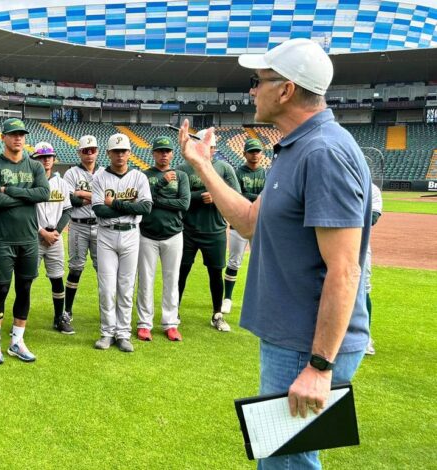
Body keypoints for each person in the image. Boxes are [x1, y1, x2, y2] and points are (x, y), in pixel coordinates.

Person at [179, 38, 371, 469]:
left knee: (287, 463)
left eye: (257, 81)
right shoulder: (295, 147)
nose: (251, 91)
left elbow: (344, 270)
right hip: (294, 340)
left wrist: (320, 366)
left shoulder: (323, 152)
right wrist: (203, 165)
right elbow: (249, 221)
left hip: (307, 346)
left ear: (285, 90)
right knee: (282, 459)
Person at [0, 118, 49, 364]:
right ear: (3, 137)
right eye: (13, 134)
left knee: (24, 289)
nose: (18, 138)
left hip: (29, 239)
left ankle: (17, 342)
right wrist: (26, 196)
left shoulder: (35, 166)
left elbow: (43, 193)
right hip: (2, 239)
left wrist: (9, 190)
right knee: (0, 288)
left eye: (21, 134)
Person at [91, 133, 152, 353]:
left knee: (126, 288)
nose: (120, 154)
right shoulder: (99, 178)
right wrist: (128, 205)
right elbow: (99, 210)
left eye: (123, 151)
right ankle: (107, 332)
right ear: (108, 153)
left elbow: (145, 208)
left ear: (129, 153)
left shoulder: (139, 177)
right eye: (115, 151)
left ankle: (123, 333)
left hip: (131, 235)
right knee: (107, 288)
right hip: (106, 235)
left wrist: (115, 203)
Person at [176, 128, 240, 332]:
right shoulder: (184, 168)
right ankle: (172, 312)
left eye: (212, 147)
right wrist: (198, 196)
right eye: (207, 146)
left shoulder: (224, 168)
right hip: (188, 229)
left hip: (215, 230)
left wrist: (216, 196)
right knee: (181, 271)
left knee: (215, 273)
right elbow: (177, 199)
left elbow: (236, 195)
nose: (211, 151)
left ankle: (217, 314)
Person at [136, 136, 189, 342]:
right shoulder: (144, 175)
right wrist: (159, 188)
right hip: (147, 233)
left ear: (172, 154)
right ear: (153, 153)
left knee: (171, 280)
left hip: (174, 233)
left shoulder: (181, 176)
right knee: (146, 280)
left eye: (167, 151)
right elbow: (144, 202)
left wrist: (157, 200)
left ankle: (170, 323)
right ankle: (144, 323)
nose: (164, 154)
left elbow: (184, 204)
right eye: (160, 151)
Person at [31, 142, 73, 334]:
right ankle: (20, 317)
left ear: (54, 159)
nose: (46, 159)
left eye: (49, 156)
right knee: (26, 279)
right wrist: (42, 232)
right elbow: (26, 213)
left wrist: (55, 232)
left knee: (57, 278)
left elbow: (67, 210)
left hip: (54, 237)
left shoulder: (61, 183)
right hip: (34, 236)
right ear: (35, 159)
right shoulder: (29, 182)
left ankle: (59, 318)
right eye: (41, 156)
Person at [221, 138, 267, 315]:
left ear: (261, 154)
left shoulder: (266, 173)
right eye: (251, 151)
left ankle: (261, 299)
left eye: (257, 151)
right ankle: (227, 298)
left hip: (259, 224)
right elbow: (238, 196)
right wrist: (258, 197)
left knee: (261, 262)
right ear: (244, 153)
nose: (254, 155)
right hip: (238, 223)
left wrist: (251, 197)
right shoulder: (237, 172)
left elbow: (267, 196)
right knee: (234, 261)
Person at [62, 135, 100, 328]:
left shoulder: (104, 172)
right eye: (85, 150)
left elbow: (106, 198)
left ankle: (107, 309)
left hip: (101, 226)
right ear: (79, 152)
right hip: (78, 225)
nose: (89, 153)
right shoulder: (71, 173)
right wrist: (95, 197)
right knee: (75, 268)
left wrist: (83, 194)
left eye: (92, 149)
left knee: (103, 270)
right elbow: (70, 199)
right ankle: (67, 310)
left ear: (98, 151)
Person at [364, 184, 383, 355]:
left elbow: (372, 217)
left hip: (359, 247)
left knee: (363, 290)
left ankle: (365, 338)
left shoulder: (372, 189)